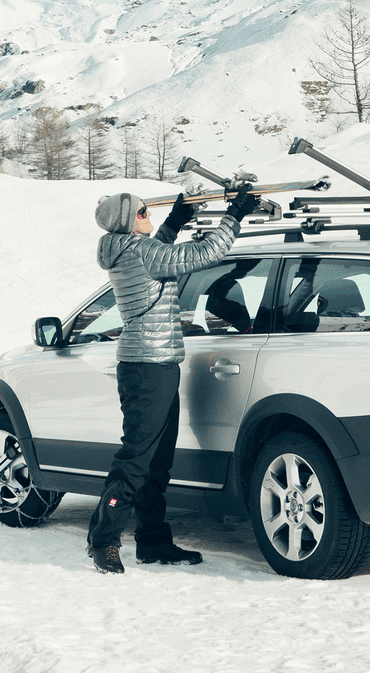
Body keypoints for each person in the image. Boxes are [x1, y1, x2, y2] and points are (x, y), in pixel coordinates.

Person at [86, 186, 261, 574]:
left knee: (157, 461)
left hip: (155, 362)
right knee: (137, 458)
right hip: (147, 365)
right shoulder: (140, 251)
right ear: (127, 221)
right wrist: (235, 215)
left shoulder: (131, 249)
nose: (148, 214)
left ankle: (152, 542)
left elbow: (160, 251)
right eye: (142, 211)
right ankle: (103, 540)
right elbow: (205, 254)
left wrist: (176, 220)